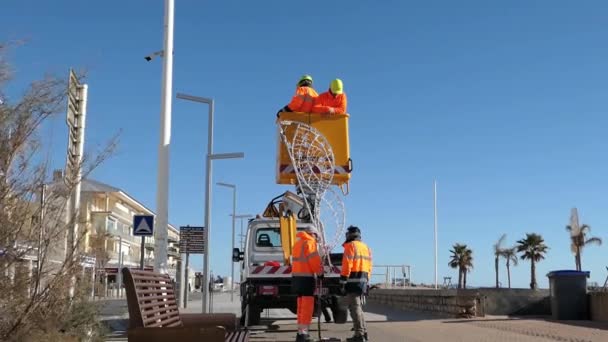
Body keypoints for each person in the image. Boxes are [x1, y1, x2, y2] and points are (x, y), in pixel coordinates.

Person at [292, 226, 324, 342]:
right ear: (313, 234)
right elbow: (314, 261)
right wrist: (320, 273)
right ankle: (304, 334)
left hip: (297, 279)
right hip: (306, 279)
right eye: (316, 236)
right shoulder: (310, 243)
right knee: (307, 307)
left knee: (300, 306)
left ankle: (300, 333)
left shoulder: (297, 243)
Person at [340, 226, 372, 342]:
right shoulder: (366, 247)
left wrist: (343, 281)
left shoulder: (350, 246)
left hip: (352, 281)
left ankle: (359, 335)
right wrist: (367, 281)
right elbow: (369, 267)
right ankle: (364, 332)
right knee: (359, 308)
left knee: (355, 308)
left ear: (350, 235)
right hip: (363, 281)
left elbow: (347, 265)